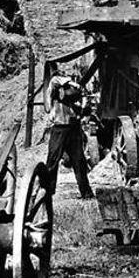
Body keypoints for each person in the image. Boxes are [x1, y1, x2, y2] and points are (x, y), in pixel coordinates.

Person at [44, 64, 94, 199]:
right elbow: (56, 80)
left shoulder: (71, 95)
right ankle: (47, 192)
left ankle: (87, 193)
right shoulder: (54, 84)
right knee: (53, 161)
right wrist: (75, 84)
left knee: (79, 161)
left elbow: (84, 104)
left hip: (73, 128)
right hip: (59, 128)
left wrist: (82, 106)